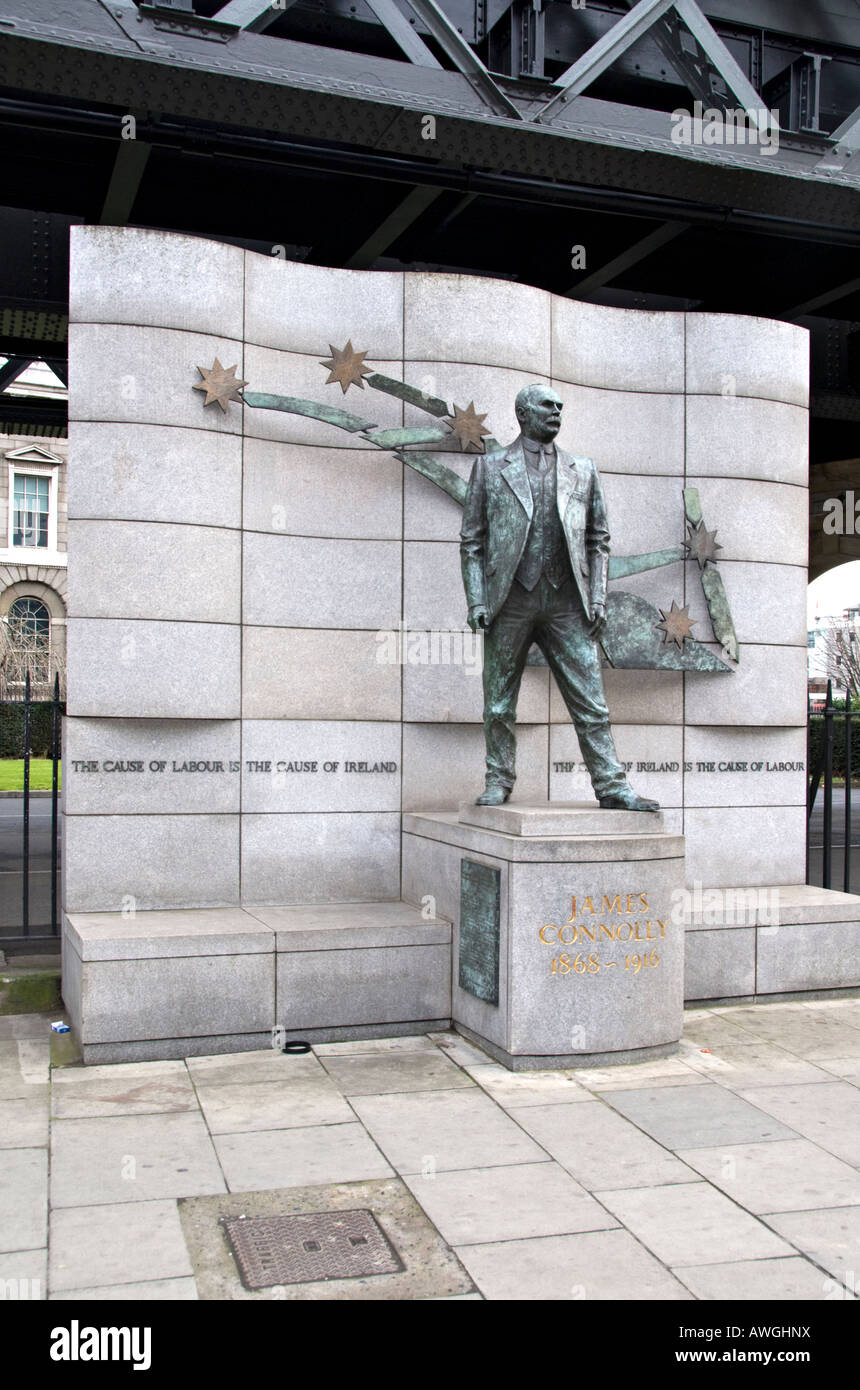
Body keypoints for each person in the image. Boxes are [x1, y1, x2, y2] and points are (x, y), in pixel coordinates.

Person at [460, 383, 659, 811]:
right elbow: (472, 542)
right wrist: (477, 601)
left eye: (560, 407)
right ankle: (498, 779)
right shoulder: (491, 468)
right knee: (498, 702)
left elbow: (598, 539)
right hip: (508, 601)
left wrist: (598, 598)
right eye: (548, 406)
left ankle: (612, 786)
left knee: (591, 700)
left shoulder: (582, 469)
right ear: (523, 414)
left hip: (568, 602)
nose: (557, 412)